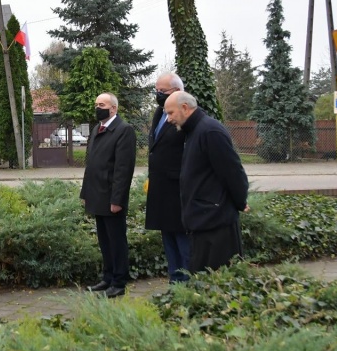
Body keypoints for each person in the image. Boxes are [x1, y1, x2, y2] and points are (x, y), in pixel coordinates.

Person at [163, 91, 249, 273]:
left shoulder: (210, 131)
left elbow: (233, 172)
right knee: (202, 280)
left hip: (215, 224)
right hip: (202, 221)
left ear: (185, 108)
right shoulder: (193, 131)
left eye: (170, 113)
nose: (168, 119)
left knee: (217, 281)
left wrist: (240, 202)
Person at [80, 92, 136, 298]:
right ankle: (108, 277)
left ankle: (119, 282)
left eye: (102, 105)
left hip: (112, 197)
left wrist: (117, 200)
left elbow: (123, 169)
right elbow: (91, 165)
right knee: (104, 240)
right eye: (96, 104)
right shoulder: (98, 129)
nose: (97, 108)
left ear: (113, 108)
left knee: (116, 241)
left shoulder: (124, 130)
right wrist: (85, 192)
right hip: (97, 194)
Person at [145, 72, 190, 283]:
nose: (158, 94)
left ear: (178, 91)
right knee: (168, 237)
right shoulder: (159, 113)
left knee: (182, 238)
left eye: (162, 91)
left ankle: (187, 282)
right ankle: (174, 280)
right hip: (160, 187)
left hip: (178, 188)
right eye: (156, 90)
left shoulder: (187, 116)